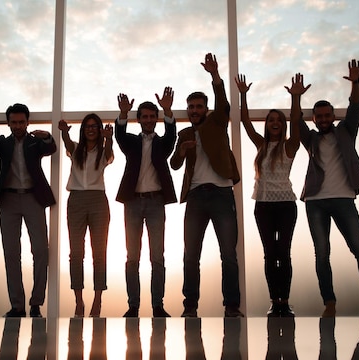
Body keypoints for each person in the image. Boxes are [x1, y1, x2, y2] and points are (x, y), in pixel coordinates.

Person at [288, 61, 359, 318]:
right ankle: (329, 303)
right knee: (321, 253)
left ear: (333, 116)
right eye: (318, 117)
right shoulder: (311, 140)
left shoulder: (346, 132)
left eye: (326, 115)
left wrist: (355, 82)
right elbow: (295, 121)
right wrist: (296, 98)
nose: (322, 119)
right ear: (314, 119)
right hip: (316, 201)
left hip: (344, 199)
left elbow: (355, 108)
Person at [170, 53, 242, 318]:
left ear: (206, 109)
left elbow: (223, 104)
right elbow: (174, 164)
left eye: (199, 107)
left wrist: (215, 76)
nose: (194, 111)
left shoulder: (217, 122)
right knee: (191, 256)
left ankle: (232, 307)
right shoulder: (185, 134)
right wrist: (182, 150)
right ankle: (190, 307)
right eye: (191, 107)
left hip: (222, 194)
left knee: (229, 255)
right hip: (196, 197)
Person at [0, 103, 56, 318]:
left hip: (33, 198)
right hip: (8, 200)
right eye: (14, 122)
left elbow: (50, 148)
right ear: (8, 123)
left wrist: (47, 136)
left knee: (41, 251)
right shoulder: (3, 143)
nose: (18, 125)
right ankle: (17, 306)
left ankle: (36, 303)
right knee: (11, 253)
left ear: (27, 122)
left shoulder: (34, 142)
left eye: (22, 122)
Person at [235, 74, 300, 317]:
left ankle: (285, 300)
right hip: (263, 206)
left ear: (282, 125)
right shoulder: (261, 145)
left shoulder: (290, 145)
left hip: (285, 206)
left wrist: (295, 98)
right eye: (271, 120)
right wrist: (243, 94)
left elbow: (296, 119)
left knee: (284, 252)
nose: (274, 122)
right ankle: (275, 301)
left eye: (278, 120)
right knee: (269, 254)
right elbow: (244, 121)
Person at [115, 87, 178, 318]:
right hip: (133, 203)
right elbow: (119, 136)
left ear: (157, 119)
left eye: (153, 116)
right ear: (139, 120)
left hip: (155, 202)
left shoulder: (163, 144)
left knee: (157, 257)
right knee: (132, 257)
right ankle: (133, 306)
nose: (149, 120)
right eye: (145, 116)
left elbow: (172, 136)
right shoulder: (130, 142)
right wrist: (123, 114)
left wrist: (168, 110)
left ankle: (157, 306)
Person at [58, 114, 114, 318]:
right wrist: (64, 131)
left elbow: (109, 154)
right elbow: (66, 141)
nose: (91, 129)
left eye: (95, 126)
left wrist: (109, 138)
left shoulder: (103, 150)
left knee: (99, 252)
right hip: (76, 201)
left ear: (99, 129)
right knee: (76, 252)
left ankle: (98, 300)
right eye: (87, 126)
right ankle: (79, 300)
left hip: (98, 200)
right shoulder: (75, 149)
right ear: (83, 130)